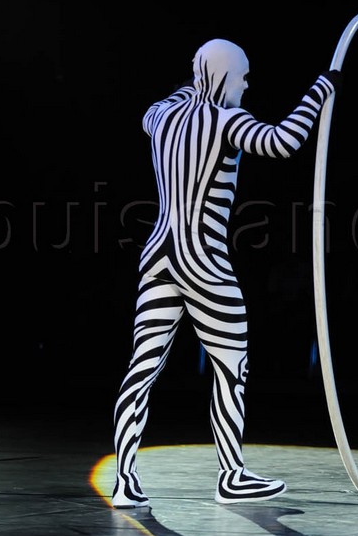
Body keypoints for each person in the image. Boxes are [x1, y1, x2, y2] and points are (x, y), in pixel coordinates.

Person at [110, 38, 339, 508]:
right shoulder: (228, 121)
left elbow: (176, 97)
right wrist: (322, 88)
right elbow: (283, 141)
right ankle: (231, 474)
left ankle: (124, 479)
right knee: (231, 368)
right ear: (226, 75)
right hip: (204, 259)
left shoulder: (159, 117)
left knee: (143, 366)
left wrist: (199, 81)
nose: (247, 85)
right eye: (244, 76)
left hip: (158, 255)